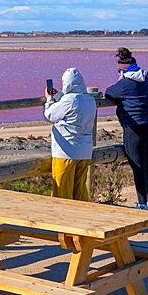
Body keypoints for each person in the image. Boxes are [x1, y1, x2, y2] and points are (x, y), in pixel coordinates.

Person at [104, 47, 148, 210]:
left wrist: (120, 81)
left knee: (138, 166)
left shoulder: (125, 83)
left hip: (134, 128)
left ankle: (142, 204)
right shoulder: (147, 80)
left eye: (118, 71)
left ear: (122, 70)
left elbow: (109, 93)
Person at [43, 67, 98, 200]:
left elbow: (50, 115)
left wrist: (49, 99)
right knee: (79, 190)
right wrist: (58, 96)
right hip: (84, 151)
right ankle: (83, 217)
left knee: (62, 191)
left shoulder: (69, 101)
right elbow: (71, 104)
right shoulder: (90, 100)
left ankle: (62, 219)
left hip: (66, 151)